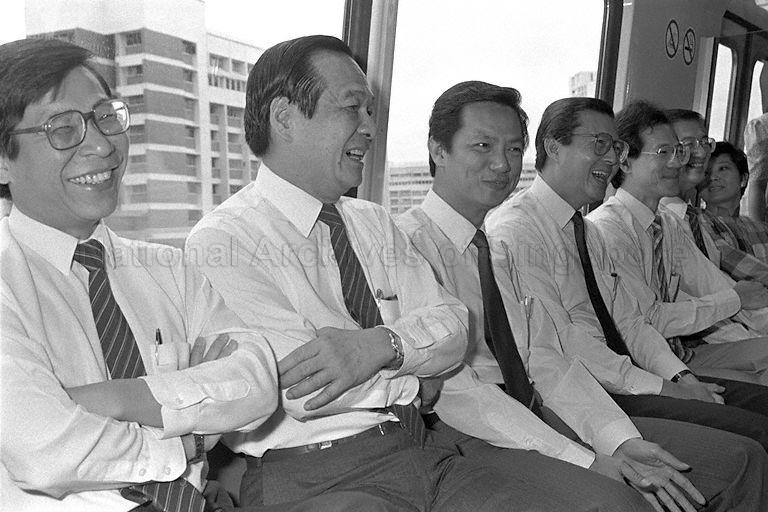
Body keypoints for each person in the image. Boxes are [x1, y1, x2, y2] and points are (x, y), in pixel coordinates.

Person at [189, 35, 654, 512]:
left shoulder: (373, 222)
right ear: (285, 117)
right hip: (318, 474)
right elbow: (301, 389)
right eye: (354, 108)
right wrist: (414, 382)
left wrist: (382, 348)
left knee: (613, 505)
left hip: (418, 453)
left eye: (370, 111)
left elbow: (453, 326)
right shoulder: (224, 240)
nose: (370, 128)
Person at [397, 80, 768, 511]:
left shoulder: (495, 249)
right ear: (438, 150)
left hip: (545, 403)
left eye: (514, 149)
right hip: (469, 427)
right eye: (483, 145)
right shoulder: (418, 247)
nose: (502, 164)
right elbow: (463, 392)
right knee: (624, 499)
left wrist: (621, 439)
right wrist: (589, 457)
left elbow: (549, 355)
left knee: (742, 458)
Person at [0, 38, 280, 512]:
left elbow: (256, 382)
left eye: (106, 116)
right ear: (3, 160)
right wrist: (183, 442)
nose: (103, 144)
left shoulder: (169, 269)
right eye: (62, 128)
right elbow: (44, 451)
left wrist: (114, 400)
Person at [486, 97, 768, 452]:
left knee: (756, 422)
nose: (611, 158)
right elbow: (565, 346)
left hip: (621, 378)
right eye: (599, 145)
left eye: (615, 146)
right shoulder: (519, 231)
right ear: (554, 147)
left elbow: (630, 323)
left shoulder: (584, 231)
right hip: (582, 395)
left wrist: (681, 379)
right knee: (750, 445)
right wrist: (668, 387)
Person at [590, 100, 768, 387]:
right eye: (664, 152)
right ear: (624, 160)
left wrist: (739, 301)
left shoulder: (666, 224)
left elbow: (713, 285)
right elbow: (646, 322)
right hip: (644, 369)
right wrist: (735, 299)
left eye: (678, 151)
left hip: (684, 355)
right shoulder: (608, 230)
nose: (678, 162)